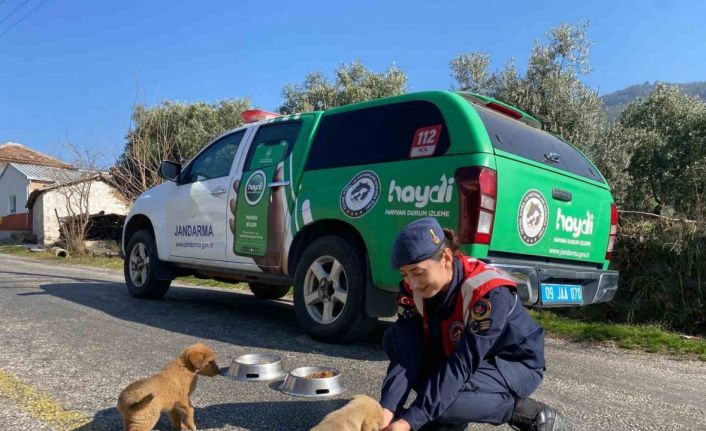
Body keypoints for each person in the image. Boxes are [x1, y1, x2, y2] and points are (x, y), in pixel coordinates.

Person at [379, 217, 564, 431]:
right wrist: (387, 408)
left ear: (446, 258)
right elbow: (407, 352)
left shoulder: (488, 293)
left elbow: (461, 365)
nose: (411, 283)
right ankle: (446, 414)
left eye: (418, 272)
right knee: (395, 340)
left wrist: (409, 421)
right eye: (405, 274)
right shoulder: (412, 288)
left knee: (447, 402)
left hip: (513, 363)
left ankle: (526, 412)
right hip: (464, 356)